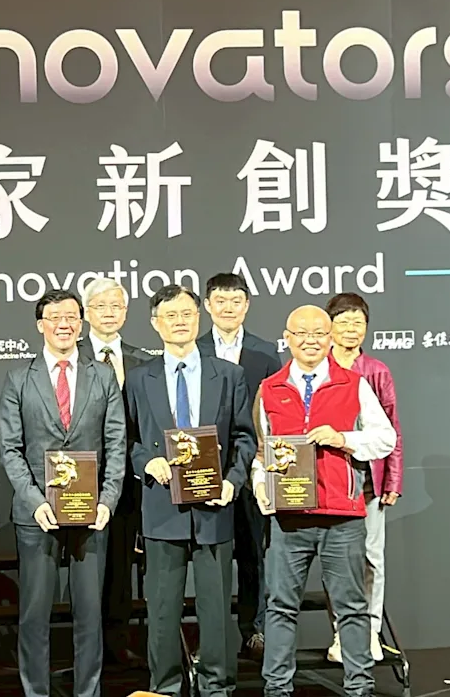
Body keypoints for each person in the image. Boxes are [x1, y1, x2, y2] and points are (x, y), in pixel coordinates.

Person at [252, 305, 397, 697]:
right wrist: (262, 487)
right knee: (280, 608)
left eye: (318, 333)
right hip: (289, 519)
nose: (310, 341)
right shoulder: (270, 388)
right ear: (287, 338)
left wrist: (343, 439)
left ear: (330, 338)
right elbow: (263, 452)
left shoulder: (354, 384)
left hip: (342, 517)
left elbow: (385, 438)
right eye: (301, 334)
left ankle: (359, 688)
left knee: (351, 608)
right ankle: (277, 688)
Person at [127, 285, 256, 697]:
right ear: (155, 323)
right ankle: (165, 687)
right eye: (171, 315)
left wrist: (232, 481)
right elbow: (127, 439)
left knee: (215, 609)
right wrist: (146, 462)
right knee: (163, 610)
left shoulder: (229, 375)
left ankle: (218, 686)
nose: (180, 321)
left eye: (187, 313)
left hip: (214, 508)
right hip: (162, 509)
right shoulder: (139, 378)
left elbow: (245, 437)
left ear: (199, 318)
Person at [0, 288, 126, 697]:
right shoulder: (19, 379)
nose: (64, 324)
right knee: (34, 614)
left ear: (81, 324)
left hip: (92, 513)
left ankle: (87, 691)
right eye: (55, 317)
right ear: (41, 325)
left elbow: (117, 443)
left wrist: (108, 500)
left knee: (90, 615)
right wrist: (35, 502)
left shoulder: (103, 375)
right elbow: (10, 449)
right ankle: (36, 691)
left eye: (71, 316)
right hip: (37, 516)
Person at [197, 272, 281, 660]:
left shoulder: (266, 353)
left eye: (236, 301)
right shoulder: (193, 350)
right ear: (207, 305)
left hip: (252, 470)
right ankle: (210, 635)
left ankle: (254, 628)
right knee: (209, 556)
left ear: (246, 306)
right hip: (204, 469)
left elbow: (273, 413)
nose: (228, 308)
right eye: (220, 301)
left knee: (252, 554)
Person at [324, 292, 404, 664]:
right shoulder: (318, 368)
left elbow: (393, 429)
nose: (351, 329)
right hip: (330, 480)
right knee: (336, 561)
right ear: (329, 327)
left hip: (370, 481)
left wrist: (393, 480)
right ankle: (341, 632)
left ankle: (370, 630)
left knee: (372, 558)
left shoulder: (376, 370)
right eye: (343, 322)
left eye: (358, 322)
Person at [77, 277, 151, 667]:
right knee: (86, 567)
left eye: (116, 306)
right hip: (80, 479)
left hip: (128, 481)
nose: (109, 313)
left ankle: (116, 643)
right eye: (100, 306)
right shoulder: (71, 357)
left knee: (121, 566)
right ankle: (85, 646)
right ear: (86, 312)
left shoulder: (141, 362)